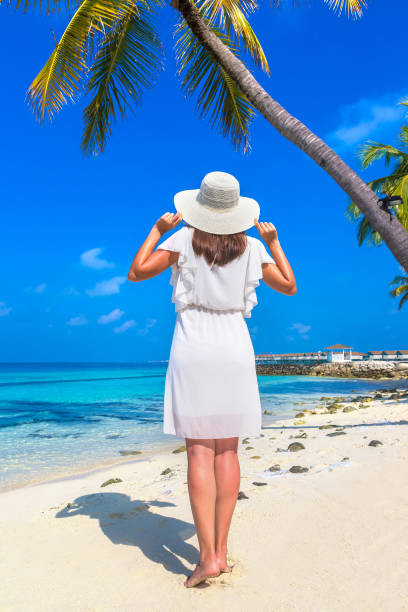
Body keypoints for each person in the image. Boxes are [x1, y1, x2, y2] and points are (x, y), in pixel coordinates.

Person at [128, 171, 296, 588]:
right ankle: (220, 552)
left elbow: (136, 272)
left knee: (199, 453)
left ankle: (206, 558)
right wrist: (274, 242)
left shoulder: (182, 239)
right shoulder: (254, 246)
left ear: (199, 207)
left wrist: (157, 229)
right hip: (235, 348)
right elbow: (289, 286)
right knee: (228, 452)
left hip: (194, 347)